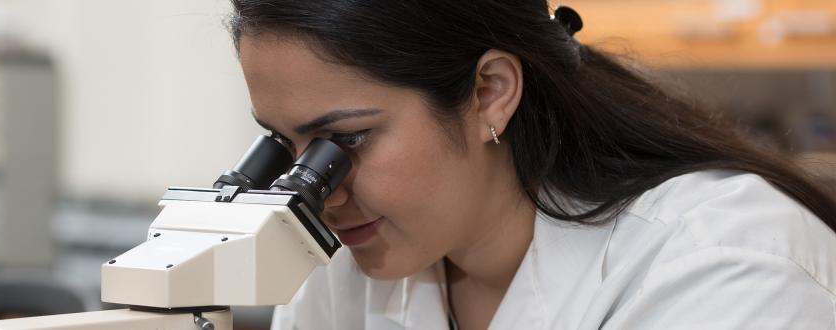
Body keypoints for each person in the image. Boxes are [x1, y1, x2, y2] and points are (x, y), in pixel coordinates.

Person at [227, 1, 836, 329]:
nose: (321, 195)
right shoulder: (346, 273)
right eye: (283, 145)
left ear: (490, 91)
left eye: (345, 140)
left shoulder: (726, 268)